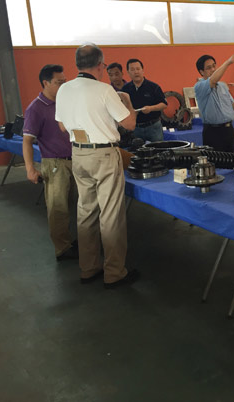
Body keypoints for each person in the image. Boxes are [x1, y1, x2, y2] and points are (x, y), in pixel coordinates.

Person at [55, 43, 138, 289]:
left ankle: (88, 268)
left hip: (78, 153)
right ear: (101, 65)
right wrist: (128, 102)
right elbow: (130, 124)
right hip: (103, 154)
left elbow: (62, 126)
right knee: (110, 214)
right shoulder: (104, 89)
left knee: (86, 211)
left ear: (77, 64)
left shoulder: (64, 89)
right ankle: (114, 272)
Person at [22, 64, 78, 261]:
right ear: (45, 83)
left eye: (65, 81)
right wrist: (30, 169)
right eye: (59, 82)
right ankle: (62, 248)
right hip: (55, 164)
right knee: (57, 208)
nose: (63, 85)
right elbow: (27, 141)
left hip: (76, 160)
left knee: (73, 204)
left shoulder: (65, 103)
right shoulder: (35, 108)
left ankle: (71, 240)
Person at [194, 51, 234, 152]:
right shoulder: (199, 86)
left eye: (214, 66)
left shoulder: (223, 86)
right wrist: (228, 62)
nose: (213, 69)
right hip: (213, 132)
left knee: (232, 159)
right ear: (202, 72)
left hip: (229, 130)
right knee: (216, 160)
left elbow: (232, 108)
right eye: (209, 68)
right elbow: (213, 80)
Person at [120, 58, 167, 142]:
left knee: (158, 148)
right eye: (132, 70)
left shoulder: (153, 87)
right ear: (128, 72)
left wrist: (151, 108)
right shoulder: (125, 89)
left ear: (142, 70)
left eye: (138, 69)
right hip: (136, 128)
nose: (136, 72)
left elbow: (164, 104)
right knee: (137, 149)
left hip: (154, 127)